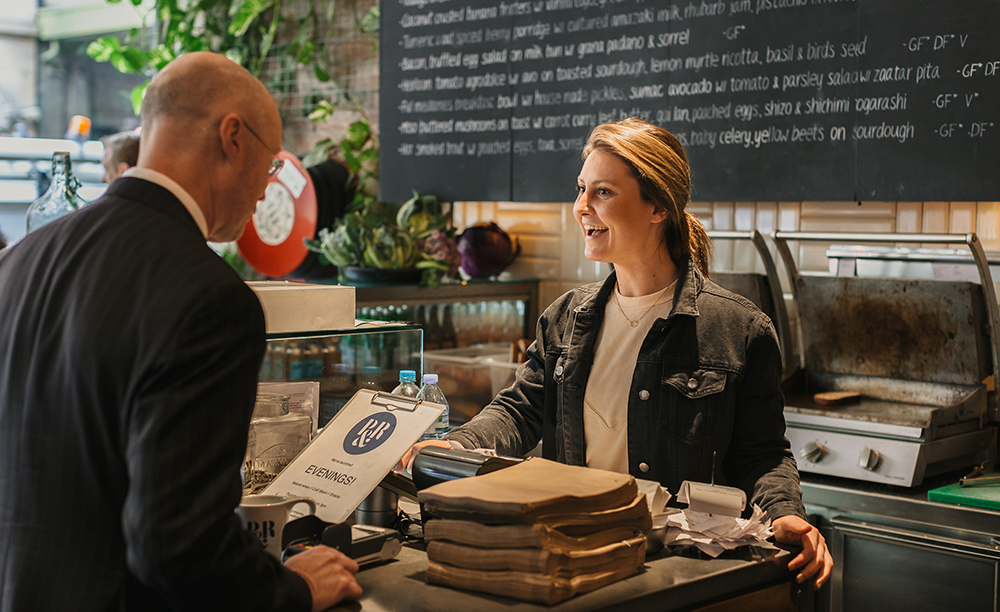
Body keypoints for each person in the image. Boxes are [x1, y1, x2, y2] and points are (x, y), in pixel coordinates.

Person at [402, 118, 833, 589]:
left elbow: (763, 454)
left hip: (678, 572)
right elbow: (519, 411)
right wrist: (458, 444)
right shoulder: (566, 319)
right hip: (575, 558)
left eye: (602, 192)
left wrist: (784, 512)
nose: (581, 207)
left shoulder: (738, 329)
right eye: (581, 188)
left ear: (657, 207)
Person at [0, 52, 361, 611]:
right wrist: (296, 588)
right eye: (268, 169)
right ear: (232, 137)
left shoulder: (22, 258)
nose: (266, 193)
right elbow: (177, 547)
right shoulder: (209, 298)